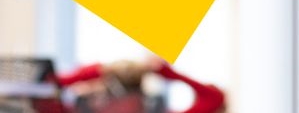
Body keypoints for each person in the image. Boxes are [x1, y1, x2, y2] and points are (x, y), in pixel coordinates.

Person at [54, 58, 226, 113]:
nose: (102, 100)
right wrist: (102, 70)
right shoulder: (80, 105)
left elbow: (215, 98)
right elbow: (49, 84)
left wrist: (171, 74)